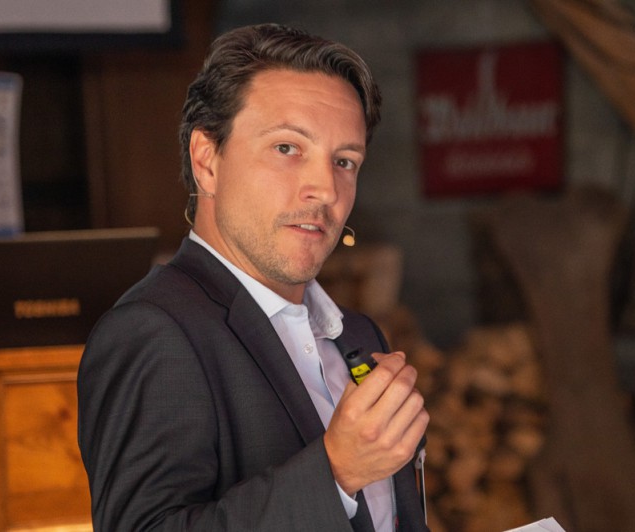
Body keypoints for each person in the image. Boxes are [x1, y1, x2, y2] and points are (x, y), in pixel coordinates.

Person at [77, 23, 430, 531]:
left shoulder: (359, 335)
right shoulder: (151, 332)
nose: (325, 188)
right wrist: (337, 472)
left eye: (344, 161)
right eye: (287, 148)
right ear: (207, 160)